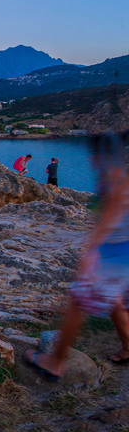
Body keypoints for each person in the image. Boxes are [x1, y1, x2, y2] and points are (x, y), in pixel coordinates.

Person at [26, 132, 129, 379]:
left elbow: (113, 209)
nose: (92, 159)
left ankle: (54, 362)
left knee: (76, 303)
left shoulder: (112, 176)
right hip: (122, 252)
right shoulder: (119, 173)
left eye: (94, 154)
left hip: (112, 253)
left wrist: (92, 250)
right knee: (113, 300)